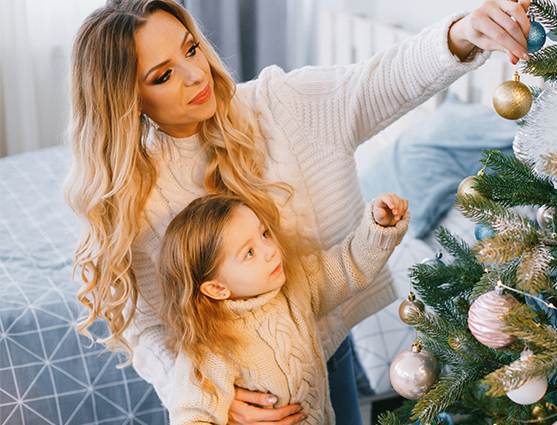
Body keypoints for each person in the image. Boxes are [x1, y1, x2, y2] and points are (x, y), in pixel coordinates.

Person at [63, 0, 532, 423]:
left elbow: (383, 80)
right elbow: (145, 326)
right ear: (127, 99)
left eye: (191, 48)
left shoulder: (284, 105)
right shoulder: (132, 197)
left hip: (324, 358)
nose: (195, 74)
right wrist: (213, 400)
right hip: (226, 400)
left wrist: (463, 33)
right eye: (162, 75)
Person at [158, 192, 408, 424]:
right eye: (249, 253)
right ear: (217, 288)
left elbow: (348, 265)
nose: (270, 251)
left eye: (264, 234)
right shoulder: (210, 348)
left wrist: (380, 228)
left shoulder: (296, 284)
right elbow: (191, 417)